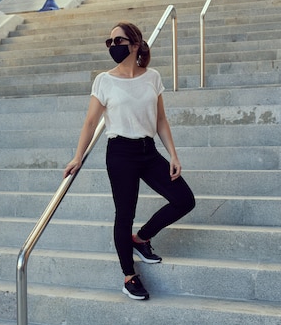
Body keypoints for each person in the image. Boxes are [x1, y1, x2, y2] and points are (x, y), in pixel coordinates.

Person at [63, 22, 195, 301]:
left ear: (135, 44)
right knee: (124, 214)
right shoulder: (104, 80)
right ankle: (129, 276)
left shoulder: (152, 77)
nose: (113, 46)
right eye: (109, 42)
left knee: (184, 199)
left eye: (118, 41)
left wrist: (173, 154)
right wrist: (77, 156)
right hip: (120, 152)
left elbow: (160, 119)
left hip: (148, 151)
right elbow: (90, 122)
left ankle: (141, 238)